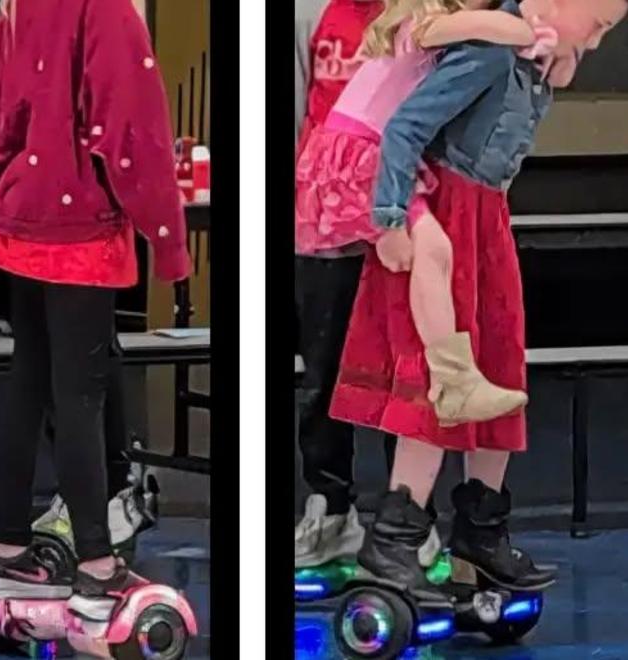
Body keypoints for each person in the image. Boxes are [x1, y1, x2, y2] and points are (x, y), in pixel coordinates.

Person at [331, 0, 628, 594]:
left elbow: (552, 70)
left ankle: (481, 531)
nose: (596, 43)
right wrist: (390, 218)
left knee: (497, 365)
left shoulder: (533, 55)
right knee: (445, 373)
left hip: (487, 215)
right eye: (597, 26)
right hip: (449, 210)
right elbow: (406, 129)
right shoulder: (493, 50)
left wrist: (561, 51)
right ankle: (394, 540)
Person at [0, 0, 190, 621]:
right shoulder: (106, 10)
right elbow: (131, 129)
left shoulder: (14, 10)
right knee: (81, 396)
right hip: (82, 230)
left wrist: (7, 195)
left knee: (29, 382)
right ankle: (97, 566)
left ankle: (6, 548)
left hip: (23, 216)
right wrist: (168, 241)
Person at [292, 0, 384, 570]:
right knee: (323, 374)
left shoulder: (424, 13)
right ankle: (330, 507)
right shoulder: (308, 14)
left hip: (399, 220)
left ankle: (408, 516)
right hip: (323, 226)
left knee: (404, 375)